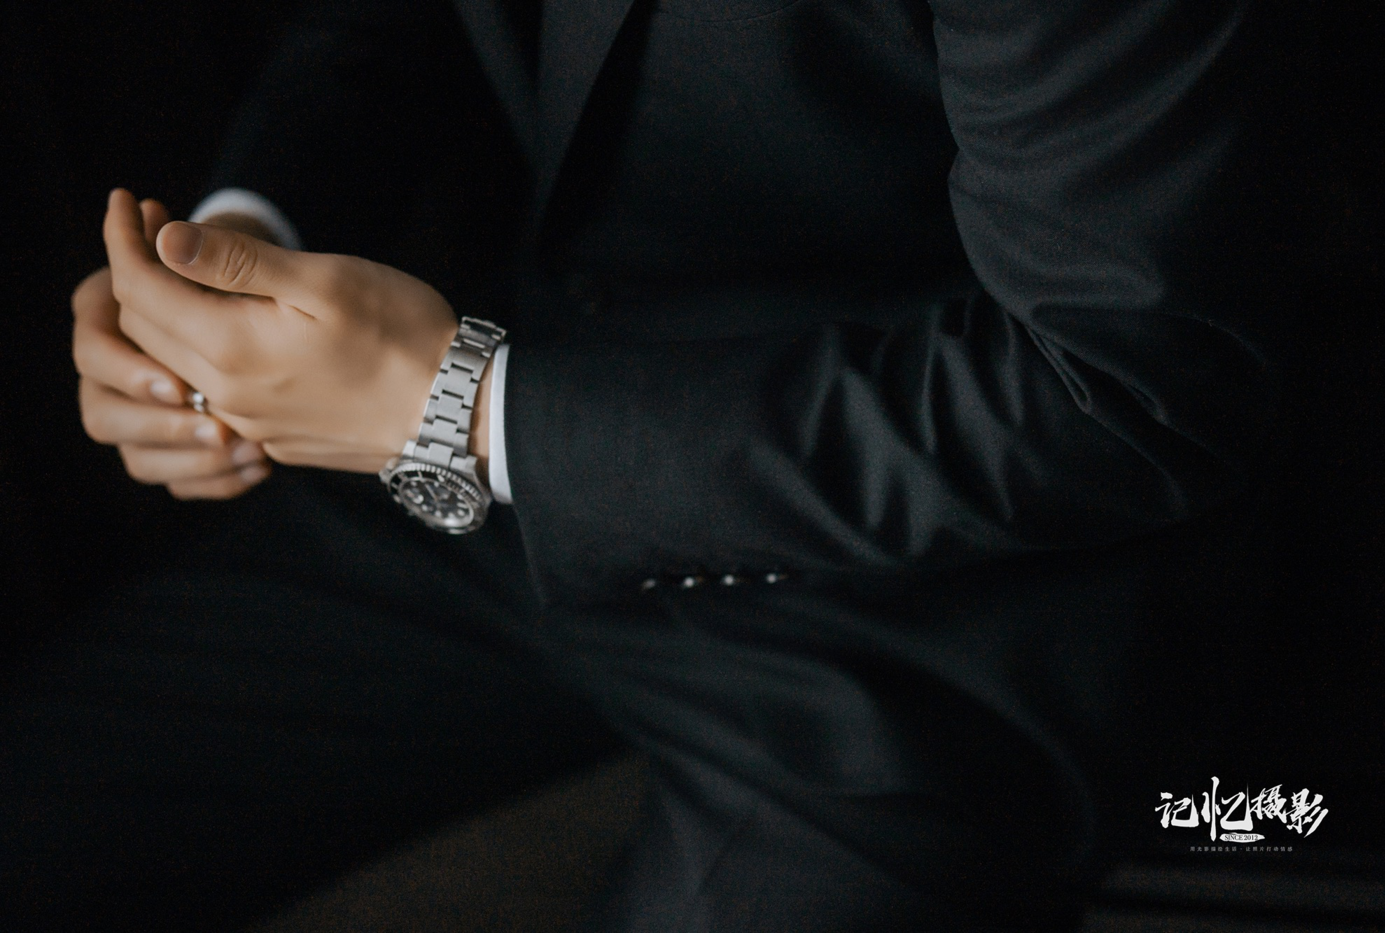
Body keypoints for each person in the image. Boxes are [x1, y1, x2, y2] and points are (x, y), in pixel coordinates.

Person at [4, 0, 1304, 929]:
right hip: (489, 478)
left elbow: (1122, 393)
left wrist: (466, 413)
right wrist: (234, 269)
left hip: (949, 609)